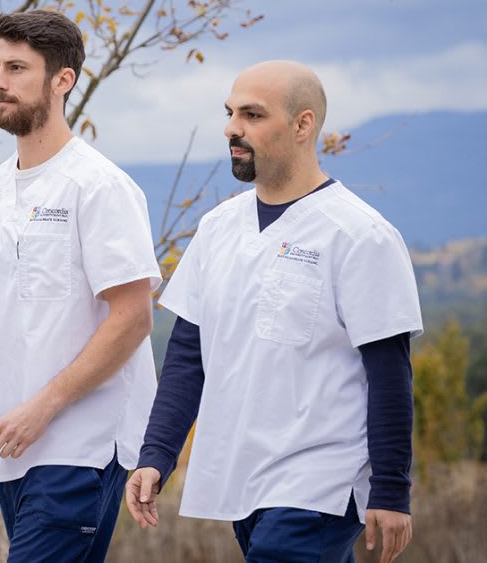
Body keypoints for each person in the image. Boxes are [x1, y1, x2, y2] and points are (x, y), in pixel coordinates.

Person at [125, 60, 423, 563]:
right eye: (230, 113)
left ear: (303, 125)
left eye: (252, 115)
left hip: (320, 482)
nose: (232, 128)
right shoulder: (219, 227)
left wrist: (392, 490)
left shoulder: (359, 235)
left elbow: (390, 373)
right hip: (242, 478)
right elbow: (186, 358)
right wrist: (156, 454)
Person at [0, 10, 162, 561]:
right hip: (10, 449)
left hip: (81, 446)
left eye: (17, 68)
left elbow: (134, 317)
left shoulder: (100, 187)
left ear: (62, 80)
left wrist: (44, 407)